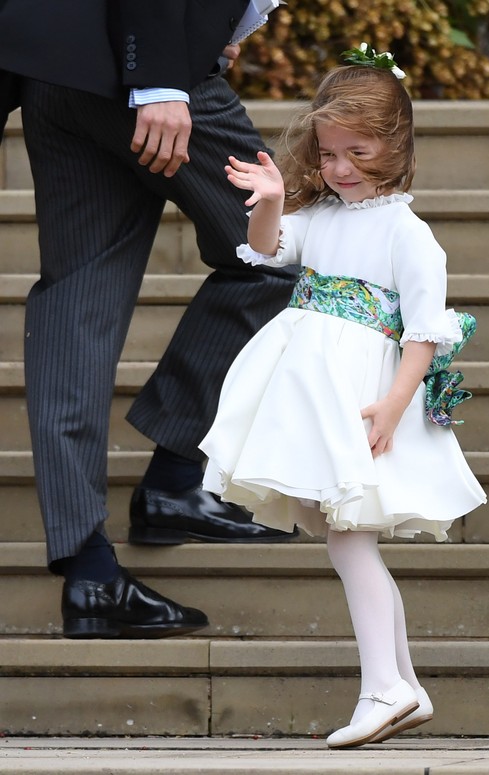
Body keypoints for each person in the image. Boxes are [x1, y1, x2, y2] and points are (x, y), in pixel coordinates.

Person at [199, 45, 487, 748]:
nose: (338, 167)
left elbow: (424, 331)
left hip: (361, 397)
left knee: (349, 538)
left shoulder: (408, 234)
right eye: (327, 153)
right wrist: (268, 202)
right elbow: (268, 248)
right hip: (309, 390)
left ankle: (384, 686)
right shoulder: (321, 218)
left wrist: (393, 405)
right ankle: (405, 684)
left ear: (396, 145)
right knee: (340, 535)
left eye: (356, 151)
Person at [0, 0, 298, 639]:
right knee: (291, 255)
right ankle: (174, 478)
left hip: (54, 67)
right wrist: (159, 75)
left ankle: (90, 570)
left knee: (77, 301)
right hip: (146, 71)